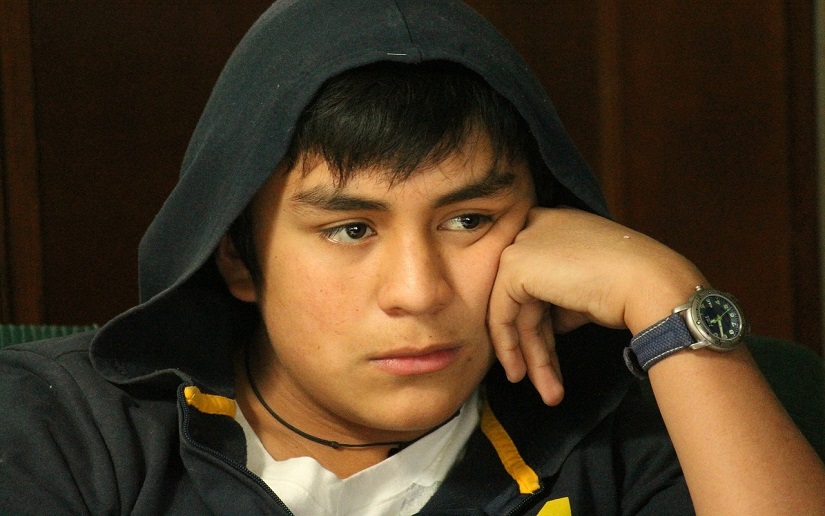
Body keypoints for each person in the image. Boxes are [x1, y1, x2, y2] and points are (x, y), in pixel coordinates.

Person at [1, 0, 823, 514]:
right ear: (237, 258)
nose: (418, 292)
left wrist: (663, 288)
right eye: (351, 230)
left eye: (467, 220)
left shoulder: (633, 433)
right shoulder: (61, 431)